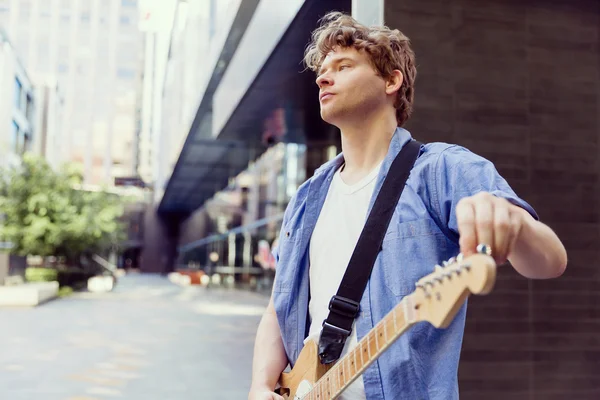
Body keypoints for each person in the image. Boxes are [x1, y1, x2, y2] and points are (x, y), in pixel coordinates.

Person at [248, 11, 567, 400]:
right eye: (322, 69)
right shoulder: (306, 197)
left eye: (343, 66)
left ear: (391, 80)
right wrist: (260, 387)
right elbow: (276, 311)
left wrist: (515, 226)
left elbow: (550, 262)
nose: (322, 77)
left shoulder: (440, 169)